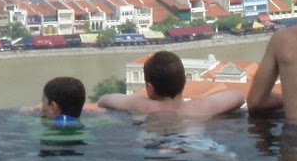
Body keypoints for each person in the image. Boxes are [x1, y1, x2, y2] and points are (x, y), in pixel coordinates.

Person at [95, 50, 246, 121]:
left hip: (151, 141)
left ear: (150, 88)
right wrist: (203, 101)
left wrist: (139, 101)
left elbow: (104, 100)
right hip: (192, 141)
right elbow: (238, 96)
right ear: (185, 82)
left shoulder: (141, 106)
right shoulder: (199, 108)